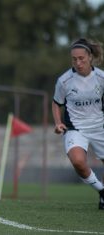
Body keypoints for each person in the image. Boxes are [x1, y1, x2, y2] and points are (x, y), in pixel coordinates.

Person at [52, 38, 104, 210]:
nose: (78, 62)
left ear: (90, 57)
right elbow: (56, 103)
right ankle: (102, 191)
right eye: (74, 59)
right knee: (78, 162)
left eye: (81, 58)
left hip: (99, 126)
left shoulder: (101, 77)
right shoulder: (64, 80)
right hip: (76, 128)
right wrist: (58, 122)